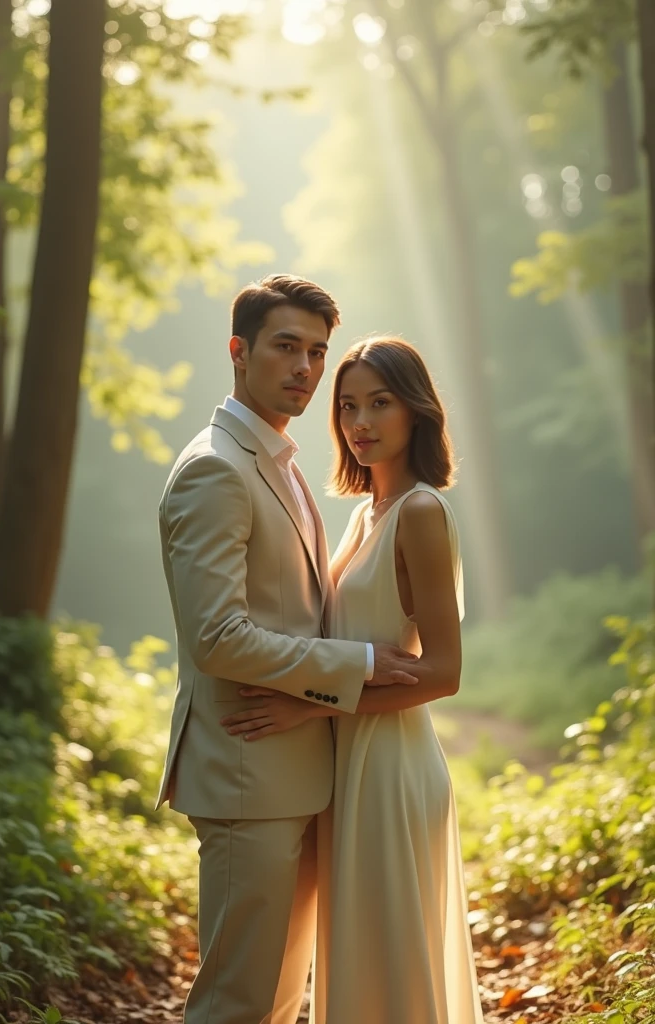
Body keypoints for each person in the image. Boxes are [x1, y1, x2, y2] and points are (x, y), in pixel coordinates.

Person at [156, 279, 419, 1024]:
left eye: (316, 352)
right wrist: (360, 664)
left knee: (274, 1002)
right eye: (285, 347)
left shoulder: (279, 462)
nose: (305, 367)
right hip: (247, 775)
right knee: (238, 1003)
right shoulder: (217, 468)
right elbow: (215, 635)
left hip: (295, 773)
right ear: (238, 352)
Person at [222, 336, 484, 1023]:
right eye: (346, 406)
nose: (360, 421)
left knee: (391, 956)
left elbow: (445, 674)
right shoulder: (363, 513)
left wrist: (307, 709)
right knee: (359, 954)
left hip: (393, 767)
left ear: (416, 411)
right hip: (348, 765)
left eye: (379, 402)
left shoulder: (422, 513)